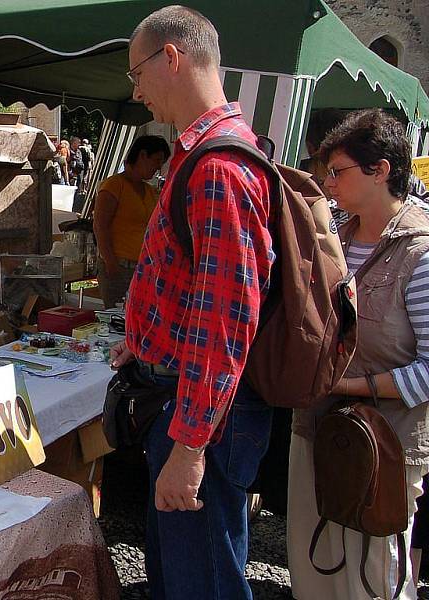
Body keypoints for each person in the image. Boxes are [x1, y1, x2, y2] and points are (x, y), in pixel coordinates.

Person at [110, 6, 275, 599]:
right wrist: (144, 338)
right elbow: (194, 289)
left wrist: (190, 446)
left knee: (198, 584)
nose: (138, 92)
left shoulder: (217, 169)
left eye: (137, 75)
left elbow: (226, 320)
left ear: (171, 58)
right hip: (185, 405)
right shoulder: (199, 158)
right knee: (181, 576)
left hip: (200, 416)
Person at [287, 109, 429, 600]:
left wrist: (348, 386)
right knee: (315, 566)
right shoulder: (336, 240)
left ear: (382, 170)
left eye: (339, 171)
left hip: (387, 444)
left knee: (373, 577)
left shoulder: (422, 252)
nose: (329, 181)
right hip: (318, 428)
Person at [93, 135, 170, 308]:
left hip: (144, 268)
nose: (158, 167)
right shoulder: (113, 185)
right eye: (157, 160)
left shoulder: (150, 191)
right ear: (142, 155)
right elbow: (100, 226)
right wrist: (110, 263)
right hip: (118, 267)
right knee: (118, 319)